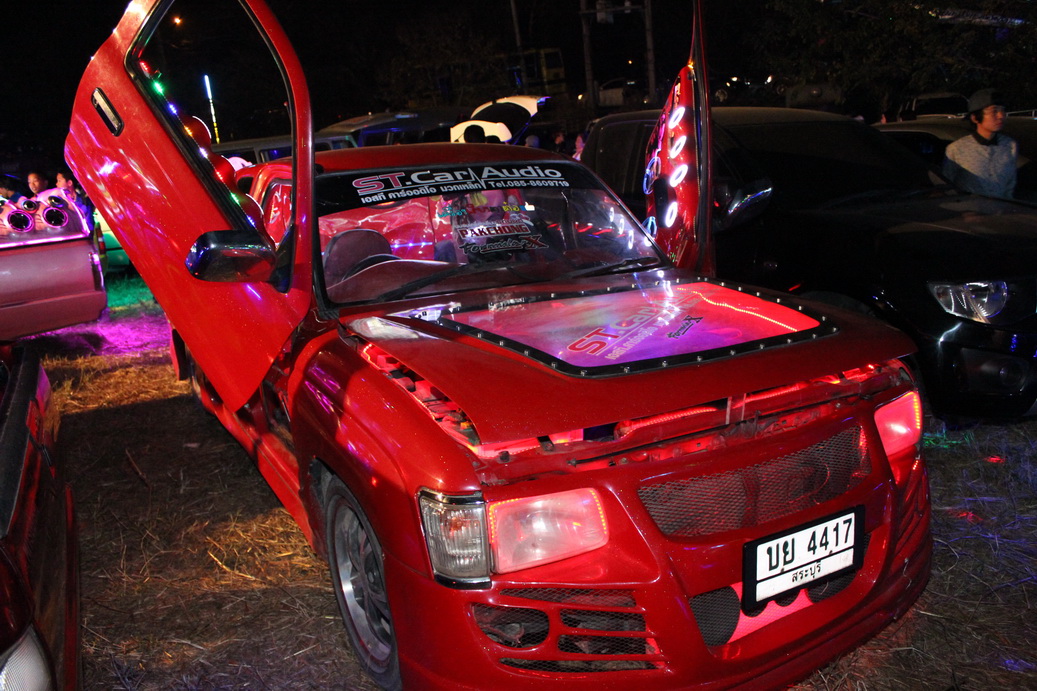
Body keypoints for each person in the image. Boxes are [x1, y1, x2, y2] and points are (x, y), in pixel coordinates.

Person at [942, 89, 1017, 198]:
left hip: (1000, 208)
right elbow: (946, 186)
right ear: (975, 118)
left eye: (1003, 110)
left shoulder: (1010, 145)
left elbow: (1010, 186)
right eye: (994, 111)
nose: (1001, 115)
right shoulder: (956, 149)